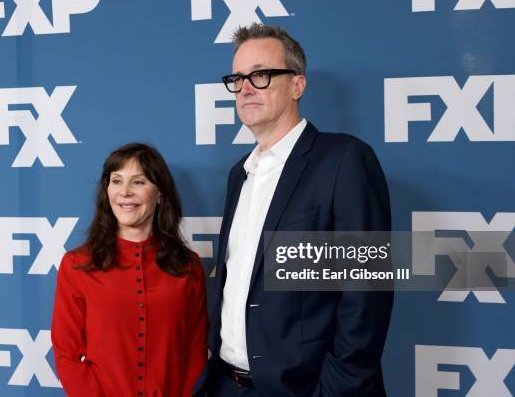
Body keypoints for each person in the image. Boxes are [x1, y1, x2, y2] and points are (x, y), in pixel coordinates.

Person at [196, 24, 393, 396]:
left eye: (261, 74)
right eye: (237, 78)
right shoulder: (240, 173)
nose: (246, 88)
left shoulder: (344, 159)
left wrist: (334, 390)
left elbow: (367, 294)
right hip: (229, 384)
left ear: (297, 86)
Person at [52, 143, 208, 397]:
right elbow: (66, 353)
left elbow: (196, 350)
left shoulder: (188, 266)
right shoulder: (76, 264)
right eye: (116, 181)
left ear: (160, 194)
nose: (124, 192)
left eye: (138, 182)